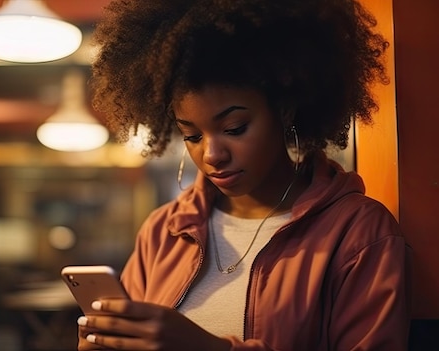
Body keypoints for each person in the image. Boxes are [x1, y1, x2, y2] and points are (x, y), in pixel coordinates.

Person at [75, 0, 410, 350]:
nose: (212, 154)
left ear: (285, 110)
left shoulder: (359, 233)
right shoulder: (164, 231)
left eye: (234, 128)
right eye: (191, 135)